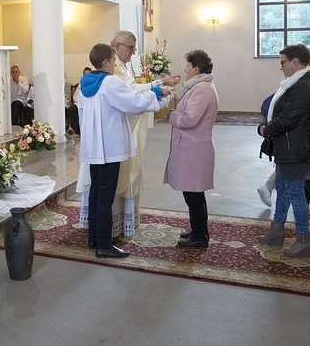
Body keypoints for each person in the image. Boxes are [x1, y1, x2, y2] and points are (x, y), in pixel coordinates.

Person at [79, 43, 167, 258]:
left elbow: (82, 114)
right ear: (106, 61)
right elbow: (134, 103)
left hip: (93, 148)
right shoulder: (109, 83)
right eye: (112, 60)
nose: (114, 64)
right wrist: (156, 91)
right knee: (106, 195)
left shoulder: (84, 84)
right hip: (110, 148)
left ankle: (94, 238)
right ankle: (104, 245)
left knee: (96, 192)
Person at [108, 30, 180, 237]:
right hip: (116, 132)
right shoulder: (115, 69)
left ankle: (121, 222)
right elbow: (132, 94)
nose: (133, 52)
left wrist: (160, 85)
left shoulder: (120, 66)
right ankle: (111, 226)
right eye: (130, 48)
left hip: (123, 129)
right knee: (120, 175)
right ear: (117, 46)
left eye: (134, 48)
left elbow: (134, 89)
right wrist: (159, 88)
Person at [257, 48, 310, 207]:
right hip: (295, 139)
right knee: (293, 179)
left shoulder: (303, 81)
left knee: (292, 177)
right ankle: (272, 191)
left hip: (295, 136)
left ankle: (281, 195)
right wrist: (267, 129)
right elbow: (287, 112)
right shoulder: (302, 82)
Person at [256, 44, 310, 258]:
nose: (280, 67)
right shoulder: (294, 83)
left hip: (297, 148)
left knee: (295, 193)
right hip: (287, 146)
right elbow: (275, 109)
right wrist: (267, 124)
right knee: (282, 189)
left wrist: (266, 129)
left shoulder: (304, 86)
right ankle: (277, 231)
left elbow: (289, 118)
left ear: (296, 62)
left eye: (283, 62)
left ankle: (303, 239)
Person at [163, 50, 219, 248]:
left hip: (195, 149)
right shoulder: (199, 86)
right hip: (192, 148)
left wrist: (171, 115)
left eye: (187, 66)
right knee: (193, 194)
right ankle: (198, 231)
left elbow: (189, 119)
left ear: (196, 68)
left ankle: (200, 236)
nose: (185, 70)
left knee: (194, 195)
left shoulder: (202, 89)